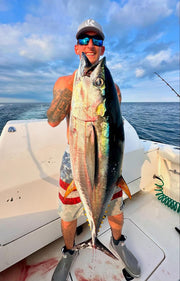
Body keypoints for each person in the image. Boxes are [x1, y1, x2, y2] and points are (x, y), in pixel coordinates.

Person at [47, 19, 141, 280]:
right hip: (76, 158)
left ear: (102, 48)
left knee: (116, 209)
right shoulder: (66, 82)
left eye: (96, 41)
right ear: (76, 47)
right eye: (85, 40)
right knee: (68, 214)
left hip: (108, 160)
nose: (91, 44)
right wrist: (69, 94)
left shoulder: (113, 87)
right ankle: (69, 250)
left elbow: (116, 127)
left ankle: (116, 241)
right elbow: (53, 120)